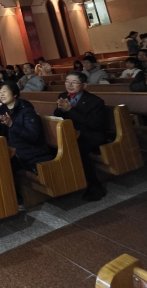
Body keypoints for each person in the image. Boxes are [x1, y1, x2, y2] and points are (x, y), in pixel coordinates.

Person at [53, 72, 108, 201]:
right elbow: (58, 115)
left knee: (75, 149)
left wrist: (70, 110)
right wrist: (60, 109)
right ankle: (65, 183)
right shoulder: (63, 95)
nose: (69, 85)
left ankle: (95, 186)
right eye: (67, 81)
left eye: (74, 82)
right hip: (72, 133)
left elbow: (94, 124)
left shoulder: (95, 101)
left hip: (91, 135)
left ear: (84, 85)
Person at [0, 83, 53, 174]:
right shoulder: (1, 111)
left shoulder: (26, 110)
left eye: (4, 91)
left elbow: (33, 135)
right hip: (14, 152)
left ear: (15, 94)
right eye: (0, 92)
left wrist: (12, 125)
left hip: (31, 154)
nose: (1, 94)